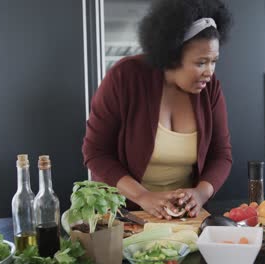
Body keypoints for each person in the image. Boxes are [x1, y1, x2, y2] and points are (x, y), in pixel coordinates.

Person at [82, 0, 233, 219]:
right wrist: (143, 196)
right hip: (123, 214)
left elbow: (222, 154)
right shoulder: (125, 77)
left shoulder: (210, 89)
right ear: (172, 55)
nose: (209, 72)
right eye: (201, 63)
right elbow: (95, 152)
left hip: (181, 217)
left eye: (214, 61)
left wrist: (199, 194)